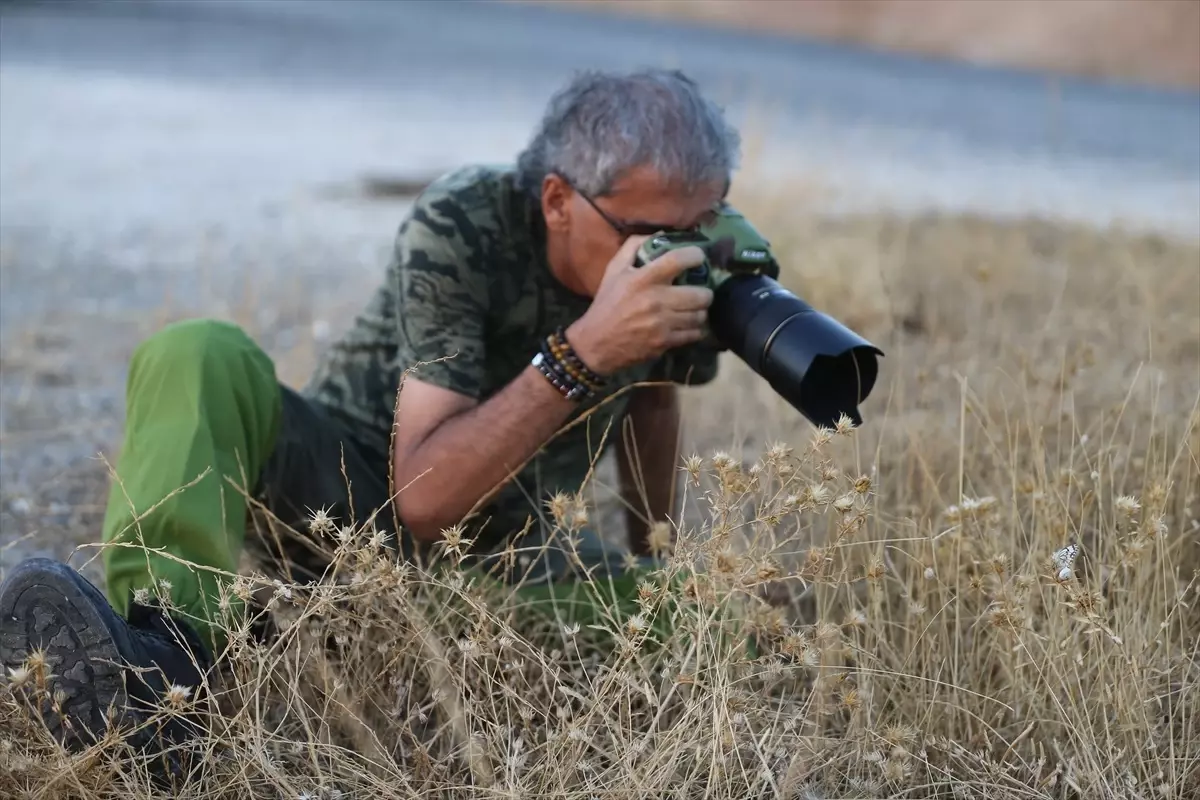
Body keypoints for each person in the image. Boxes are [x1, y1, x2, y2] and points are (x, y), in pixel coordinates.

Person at [0, 67, 740, 765]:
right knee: (197, 353)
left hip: (504, 565)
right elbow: (421, 500)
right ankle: (167, 679)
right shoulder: (469, 220)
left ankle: (384, 647)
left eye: (699, 226)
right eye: (650, 235)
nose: (673, 257)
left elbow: (653, 397)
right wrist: (585, 352)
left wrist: (657, 557)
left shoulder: (681, 248)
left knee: (709, 616)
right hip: (343, 510)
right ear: (557, 200)